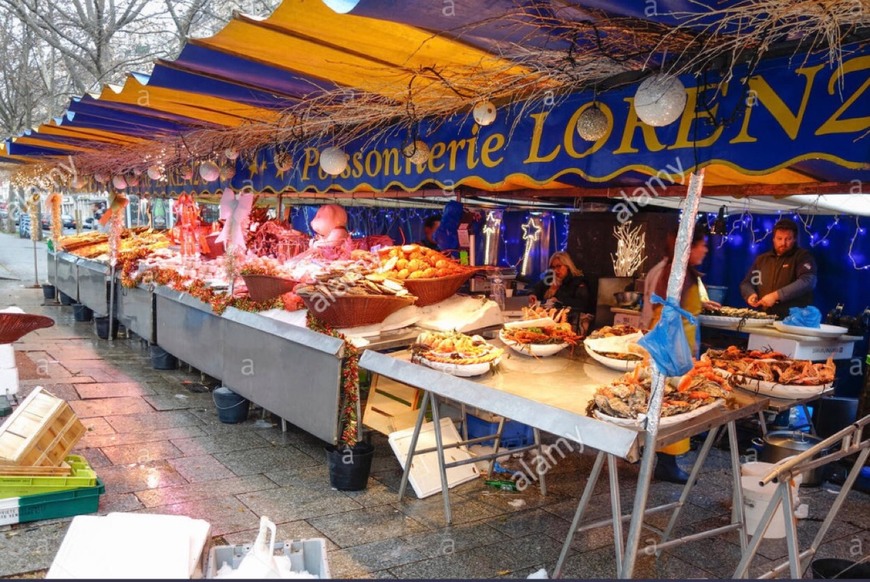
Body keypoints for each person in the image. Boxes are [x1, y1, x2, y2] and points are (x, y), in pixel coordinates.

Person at [649, 225, 721, 484]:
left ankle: (663, 461)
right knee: (673, 406)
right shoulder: (675, 272)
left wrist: (701, 304)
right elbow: (667, 310)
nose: (705, 249)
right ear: (688, 248)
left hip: (679, 347)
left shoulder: (683, 273)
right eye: (701, 245)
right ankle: (666, 464)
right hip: (673, 349)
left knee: (670, 404)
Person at [739, 218, 817, 319]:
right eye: (779, 238)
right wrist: (750, 294)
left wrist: (776, 296)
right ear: (773, 239)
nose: (783, 243)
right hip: (764, 318)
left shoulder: (803, 257)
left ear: (794, 239)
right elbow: (747, 283)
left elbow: (808, 281)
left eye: (788, 239)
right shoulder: (762, 260)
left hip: (793, 320)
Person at [530, 251, 593, 334]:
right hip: (547, 320)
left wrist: (559, 299)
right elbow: (536, 288)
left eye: (559, 266)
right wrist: (533, 294)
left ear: (567, 266)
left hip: (569, 321)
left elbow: (583, 304)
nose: (555, 270)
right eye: (553, 267)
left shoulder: (577, 281)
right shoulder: (550, 278)